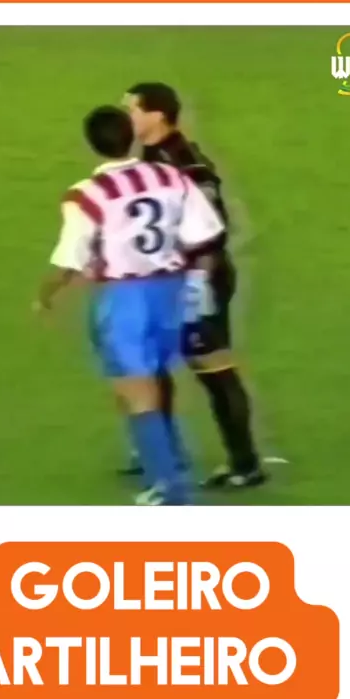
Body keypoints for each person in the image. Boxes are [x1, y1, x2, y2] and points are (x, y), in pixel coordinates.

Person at [33, 105, 225, 505]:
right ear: (131, 135)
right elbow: (204, 233)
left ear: (91, 143)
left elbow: (70, 259)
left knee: (135, 391)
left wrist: (45, 295)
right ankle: (172, 460)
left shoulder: (87, 194)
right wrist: (197, 284)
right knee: (155, 378)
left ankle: (170, 487)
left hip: (124, 298)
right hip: (171, 291)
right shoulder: (171, 177)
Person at [122, 82, 265, 488]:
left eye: (132, 109)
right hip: (162, 280)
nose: (126, 117)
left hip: (196, 283)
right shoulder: (152, 157)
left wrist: (197, 283)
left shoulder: (186, 164)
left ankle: (245, 464)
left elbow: (214, 229)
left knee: (214, 370)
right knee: (151, 363)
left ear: (157, 115)